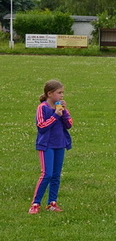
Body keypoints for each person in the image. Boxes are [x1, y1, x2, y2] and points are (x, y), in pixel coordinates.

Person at [31, 79, 73, 214]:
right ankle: (35, 204)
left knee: (56, 175)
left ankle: (52, 203)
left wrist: (64, 113)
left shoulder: (61, 108)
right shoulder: (42, 108)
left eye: (62, 93)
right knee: (46, 174)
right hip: (46, 145)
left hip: (60, 144)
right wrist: (55, 115)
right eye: (59, 93)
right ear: (50, 94)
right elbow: (41, 127)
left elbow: (69, 125)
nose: (62, 96)